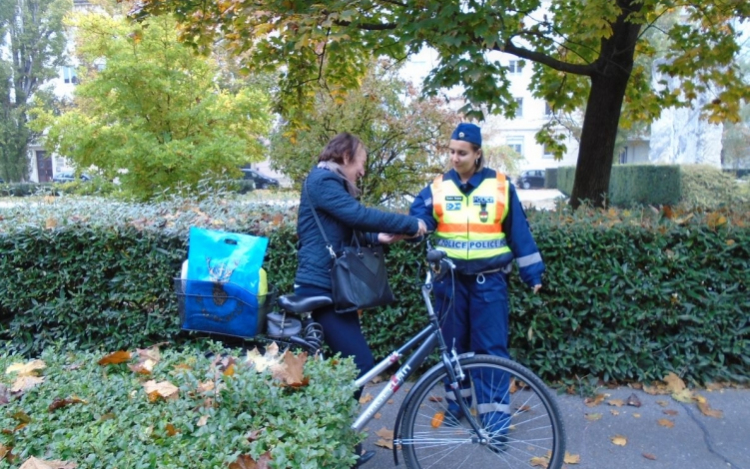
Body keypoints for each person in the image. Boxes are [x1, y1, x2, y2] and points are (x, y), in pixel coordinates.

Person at [294, 132, 426, 466]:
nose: (362, 172)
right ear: (346, 156)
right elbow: (356, 215)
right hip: (320, 289)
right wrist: (411, 224)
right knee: (359, 367)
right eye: (362, 163)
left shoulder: (328, 183)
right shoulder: (323, 180)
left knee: (349, 369)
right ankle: (330, 440)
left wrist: (377, 237)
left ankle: (335, 440)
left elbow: (347, 226)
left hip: (332, 289)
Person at [408, 122, 544, 446]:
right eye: (452, 151)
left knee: (491, 352)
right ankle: (458, 406)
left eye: (462, 153)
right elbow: (419, 217)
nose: (455, 158)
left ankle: (495, 425)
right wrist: (410, 228)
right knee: (453, 350)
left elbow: (519, 231)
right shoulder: (438, 186)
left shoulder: (499, 185)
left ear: (477, 153)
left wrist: (533, 273)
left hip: (489, 283)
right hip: (450, 282)